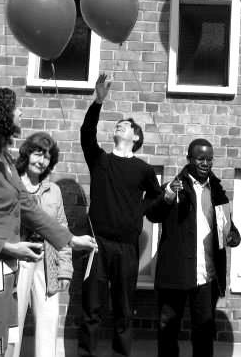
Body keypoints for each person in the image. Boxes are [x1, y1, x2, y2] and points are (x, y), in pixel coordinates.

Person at [0, 87, 97, 357]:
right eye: (16, 108)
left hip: (4, 271)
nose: (21, 112)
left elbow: (28, 207)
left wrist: (70, 240)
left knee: (3, 349)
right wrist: (9, 247)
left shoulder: (3, 161)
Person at [79, 73, 162, 357]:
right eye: (119, 124)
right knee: (91, 308)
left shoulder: (143, 169)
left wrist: (140, 210)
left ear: (136, 137)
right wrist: (98, 102)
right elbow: (86, 134)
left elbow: (156, 197)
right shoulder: (100, 160)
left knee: (124, 310)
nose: (121, 125)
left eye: (126, 125)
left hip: (127, 248)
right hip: (97, 245)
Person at [147, 138, 240, 357]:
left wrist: (233, 236)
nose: (206, 163)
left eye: (209, 159)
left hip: (205, 275)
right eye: (200, 158)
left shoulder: (217, 191)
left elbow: (227, 226)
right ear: (189, 159)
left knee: (204, 333)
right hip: (175, 274)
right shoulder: (173, 187)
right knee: (168, 330)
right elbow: (152, 214)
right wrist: (168, 195)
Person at [13, 132, 72, 357]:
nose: (42, 161)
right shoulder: (12, 185)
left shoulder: (53, 190)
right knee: (13, 325)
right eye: (38, 154)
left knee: (48, 325)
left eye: (47, 157)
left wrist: (65, 270)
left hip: (46, 263)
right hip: (17, 259)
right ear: (27, 154)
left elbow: (61, 230)